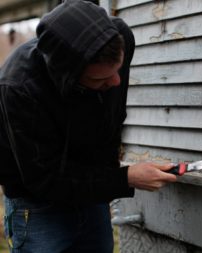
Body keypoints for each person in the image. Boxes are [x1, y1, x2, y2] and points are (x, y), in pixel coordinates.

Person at [0, 0, 177, 252]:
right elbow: (45, 179)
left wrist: (109, 175)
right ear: (68, 76)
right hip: (39, 205)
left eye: (118, 70)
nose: (116, 81)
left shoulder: (118, 39)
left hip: (91, 193)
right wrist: (125, 178)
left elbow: (112, 118)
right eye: (101, 79)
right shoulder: (19, 89)